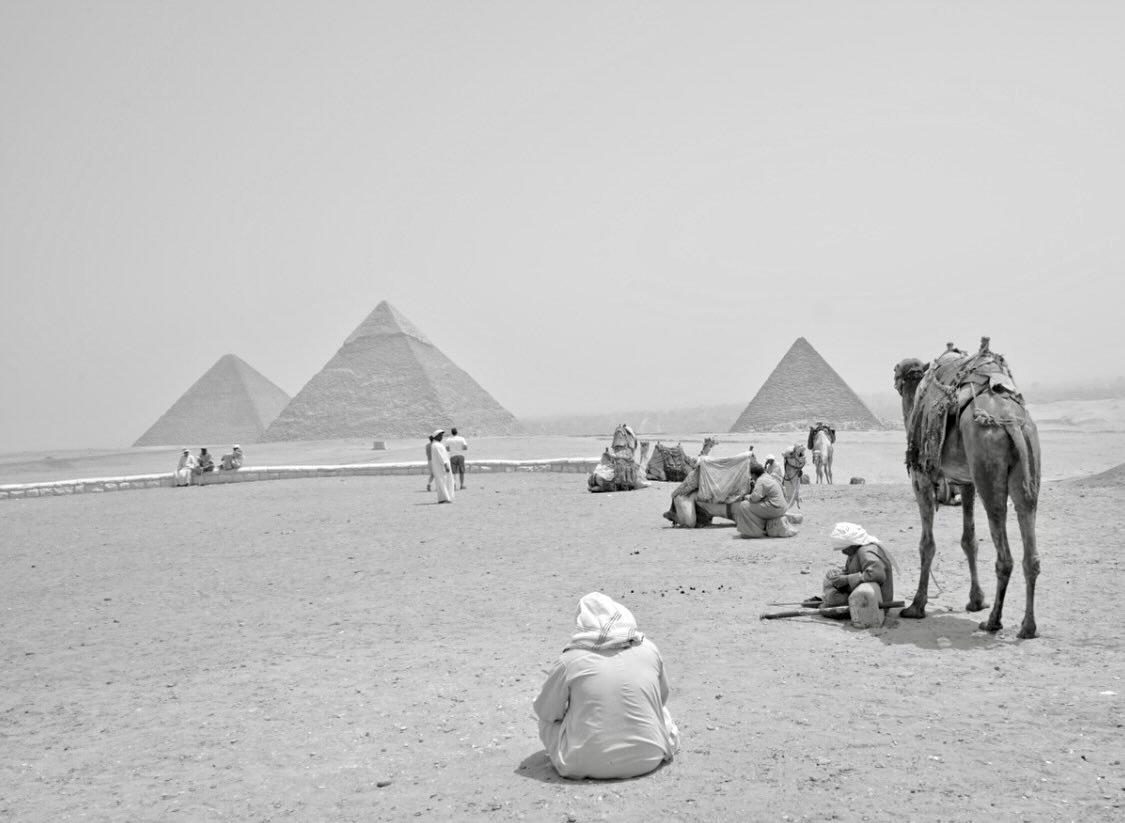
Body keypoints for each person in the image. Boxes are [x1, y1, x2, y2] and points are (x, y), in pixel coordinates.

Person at [533, 592, 679, 780]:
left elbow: (546, 712)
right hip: (650, 758)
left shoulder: (570, 660)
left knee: (547, 720)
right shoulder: (648, 648)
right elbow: (661, 699)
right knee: (660, 712)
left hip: (580, 764)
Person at [822, 522, 897, 628]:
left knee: (832, 600)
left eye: (844, 548)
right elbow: (856, 569)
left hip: (873, 602)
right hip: (859, 591)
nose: (843, 552)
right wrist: (840, 574)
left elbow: (877, 574)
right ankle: (827, 600)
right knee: (829, 580)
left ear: (852, 544)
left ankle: (826, 601)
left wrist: (847, 579)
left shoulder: (866, 552)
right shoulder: (856, 551)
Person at [429, 429, 455, 503]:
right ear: (436, 436)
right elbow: (441, 457)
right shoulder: (436, 445)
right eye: (440, 435)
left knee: (441, 482)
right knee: (444, 482)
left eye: (442, 435)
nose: (441, 437)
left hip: (440, 467)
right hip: (442, 467)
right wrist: (446, 465)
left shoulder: (436, 444)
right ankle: (446, 498)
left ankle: (442, 498)